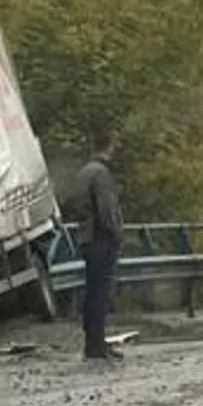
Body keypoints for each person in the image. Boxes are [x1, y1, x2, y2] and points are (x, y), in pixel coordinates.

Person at [75, 133, 125, 360]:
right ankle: (97, 344)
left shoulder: (85, 172)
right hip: (100, 239)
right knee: (101, 293)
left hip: (86, 237)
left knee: (92, 291)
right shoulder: (101, 174)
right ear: (110, 145)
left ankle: (92, 341)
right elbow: (107, 211)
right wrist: (117, 235)